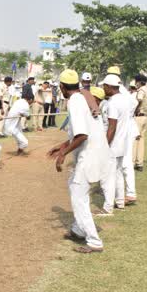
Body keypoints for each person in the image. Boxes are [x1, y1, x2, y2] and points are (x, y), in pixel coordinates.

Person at [48, 69, 110, 254]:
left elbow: (82, 135)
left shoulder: (75, 102)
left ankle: (93, 241)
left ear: (61, 87)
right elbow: (81, 132)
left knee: (78, 196)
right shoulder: (82, 98)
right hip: (96, 153)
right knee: (74, 186)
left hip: (89, 155)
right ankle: (77, 229)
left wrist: (63, 154)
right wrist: (62, 146)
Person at [102, 74, 136, 209]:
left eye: (104, 86)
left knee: (109, 177)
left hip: (113, 143)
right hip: (122, 143)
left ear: (110, 86)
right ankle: (120, 202)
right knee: (118, 174)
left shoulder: (112, 103)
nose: (103, 89)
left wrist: (105, 145)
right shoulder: (125, 100)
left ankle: (108, 207)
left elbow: (112, 126)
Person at [133, 74, 147, 171]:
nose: (135, 83)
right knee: (141, 140)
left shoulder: (141, 90)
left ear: (139, 82)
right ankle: (139, 163)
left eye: (136, 81)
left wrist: (136, 109)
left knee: (134, 140)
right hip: (145, 116)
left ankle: (132, 162)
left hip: (138, 116)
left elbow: (139, 100)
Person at [5, 90, 33, 155]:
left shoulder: (19, 101)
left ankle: (20, 150)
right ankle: (19, 151)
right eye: (32, 101)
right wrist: (27, 115)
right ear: (31, 99)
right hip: (12, 126)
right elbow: (28, 117)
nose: (32, 102)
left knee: (20, 137)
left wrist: (22, 114)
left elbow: (19, 111)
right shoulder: (25, 105)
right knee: (25, 142)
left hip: (14, 124)